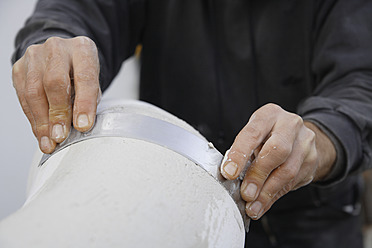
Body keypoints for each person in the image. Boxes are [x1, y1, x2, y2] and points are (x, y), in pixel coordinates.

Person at [11, 0, 372, 247]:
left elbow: (362, 83)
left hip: (310, 225)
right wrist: (54, 41)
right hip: (170, 213)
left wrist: (320, 137)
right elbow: (76, 10)